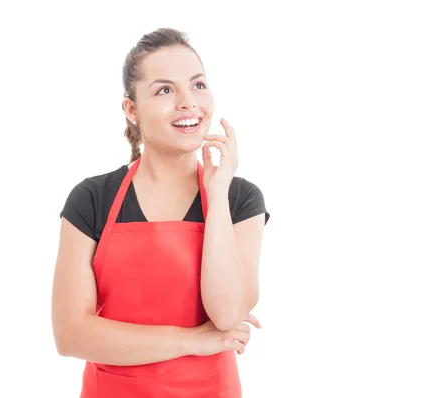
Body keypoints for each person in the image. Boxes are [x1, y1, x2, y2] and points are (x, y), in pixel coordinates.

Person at [51, 27, 270, 398]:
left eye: (198, 84)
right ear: (131, 110)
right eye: (165, 90)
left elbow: (228, 314)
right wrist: (192, 341)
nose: (188, 102)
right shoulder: (92, 199)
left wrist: (216, 198)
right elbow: (71, 335)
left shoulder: (238, 199)